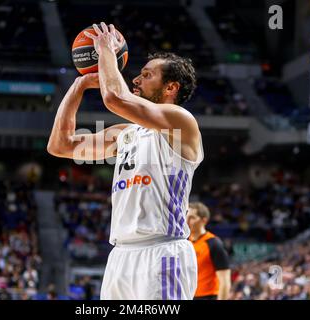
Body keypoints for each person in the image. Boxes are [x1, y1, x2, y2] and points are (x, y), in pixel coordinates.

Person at [47, 22, 203, 300]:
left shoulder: (181, 123)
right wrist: (78, 86)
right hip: (120, 255)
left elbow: (115, 98)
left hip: (163, 253)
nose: (136, 80)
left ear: (171, 87)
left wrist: (106, 49)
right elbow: (60, 145)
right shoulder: (125, 134)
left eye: (147, 75)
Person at [187, 202, 231, 300]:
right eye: (186, 216)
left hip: (209, 296)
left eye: (192, 217)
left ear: (204, 221)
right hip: (188, 296)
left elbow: (225, 282)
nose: (187, 220)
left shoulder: (214, 243)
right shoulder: (184, 243)